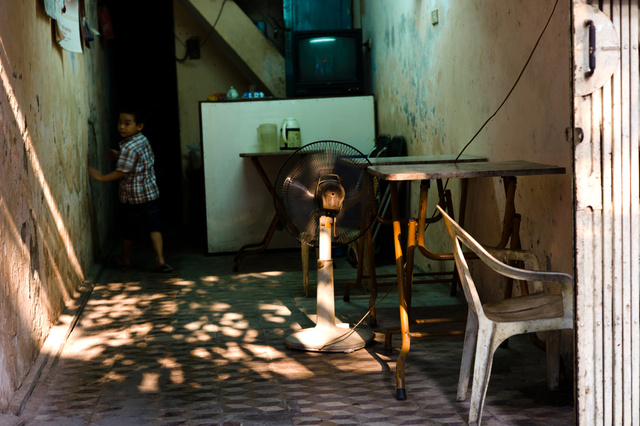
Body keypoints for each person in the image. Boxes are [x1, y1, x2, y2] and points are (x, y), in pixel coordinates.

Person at [88, 106, 173, 273]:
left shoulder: (127, 148)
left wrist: (100, 177)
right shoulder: (143, 140)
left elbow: (121, 172)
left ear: (139, 126)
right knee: (154, 227)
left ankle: (125, 259)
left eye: (127, 123)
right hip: (150, 195)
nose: (121, 127)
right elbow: (137, 160)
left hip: (131, 198)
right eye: (120, 122)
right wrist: (119, 155)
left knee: (129, 230)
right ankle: (160, 259)